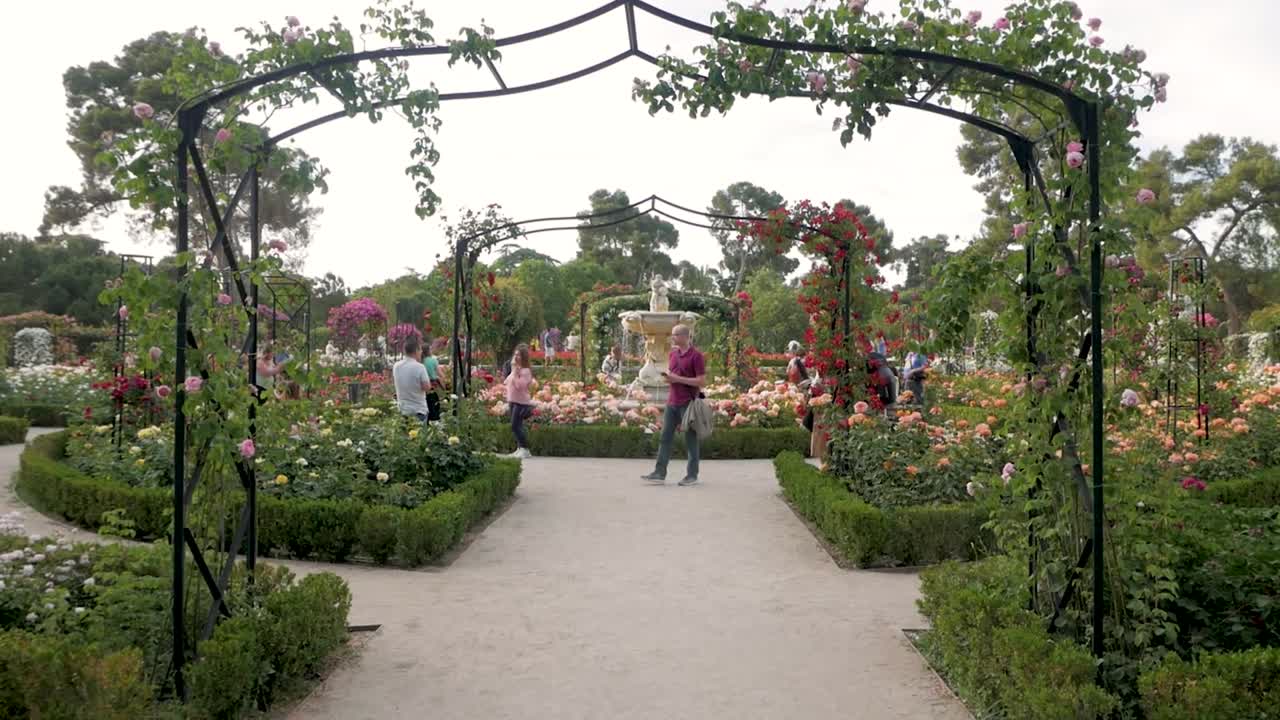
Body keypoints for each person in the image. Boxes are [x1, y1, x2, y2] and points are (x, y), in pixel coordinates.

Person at [642, 324, 705, 486]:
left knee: (691, 440)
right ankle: (659, 472)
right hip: (672, 402)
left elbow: (700, 381)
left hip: (688, 403)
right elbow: (673, 376)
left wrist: (678, 379)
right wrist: (668, 378)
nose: (672, 337)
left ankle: (692, 475)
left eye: (675, 335)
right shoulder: (673, 354)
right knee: (665, 438)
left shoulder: (696, 356)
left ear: (685, 336)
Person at [504, 344, 536, 459]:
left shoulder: (526, 371)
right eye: (515, 354)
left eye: (519, 355)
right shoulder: (517, 370)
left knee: (515, 426)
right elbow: (507, 381)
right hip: (513, 401)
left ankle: (525, 449)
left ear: (524, 357)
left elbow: (519, 386)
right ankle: (520, 448)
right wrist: (514, 371)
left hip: (521, 402)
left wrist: (515, 373)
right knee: (517, 425)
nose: (516, 357)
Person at [392, 334, 433, 421]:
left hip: (403, 410)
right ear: (416, 351)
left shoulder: (396, 366)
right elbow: (427, 387)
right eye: (420, 350)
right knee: (419, 434)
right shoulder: (420, 367)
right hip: (418, 410)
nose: (421, 352)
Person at [423, 336, 447, 422]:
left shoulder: (420, 361)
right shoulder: (433, 360)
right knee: (434, 406)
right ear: (428, 351)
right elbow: (440, 374)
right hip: (432, 385)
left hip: (422, 387)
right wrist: (444, 381)